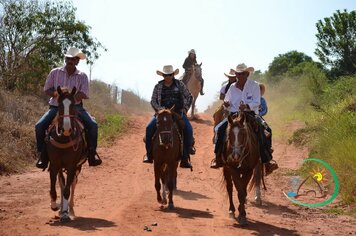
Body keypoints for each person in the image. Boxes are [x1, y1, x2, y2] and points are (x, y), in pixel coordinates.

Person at [35, 47, 102, 170]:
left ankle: (92, 154)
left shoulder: (82, 76)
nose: (70, 61)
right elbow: (47, 89)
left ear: (77, 61)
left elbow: (84, 93)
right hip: (56, 107)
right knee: (39, 126)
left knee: (92, 125)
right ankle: (42, 155)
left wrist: (71, 98)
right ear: (65, 59)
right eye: (68, 58)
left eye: (74, 59)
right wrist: (57, 95)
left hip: (76, 108)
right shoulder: (55, 72)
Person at [210, 63, 278, 175]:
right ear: (236, 74)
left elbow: (257, 101)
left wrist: (247, 106)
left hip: (250, 114)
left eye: (242, 74)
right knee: (219, 129)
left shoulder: (254, 85)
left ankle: (267, 160)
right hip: (234, 115)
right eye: (238, 74)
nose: (240, 76)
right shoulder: (232, 87)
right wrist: (226, 104)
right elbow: (227, 102)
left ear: (247, 74)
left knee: (266, 130)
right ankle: (217, 158)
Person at [143, 65, 193, 168]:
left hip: (177, 113)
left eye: (170, 75)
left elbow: (189, 96)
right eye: (166, 75)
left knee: (188, 129)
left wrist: (184, 109)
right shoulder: (158, 86)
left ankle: (185, 157)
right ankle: (149, 154)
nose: (168, 77)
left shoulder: (180, 84)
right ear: (163, 75)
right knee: (149, 128)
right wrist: (160, 110)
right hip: (162, 114)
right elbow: (153, 100)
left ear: (173, 75)